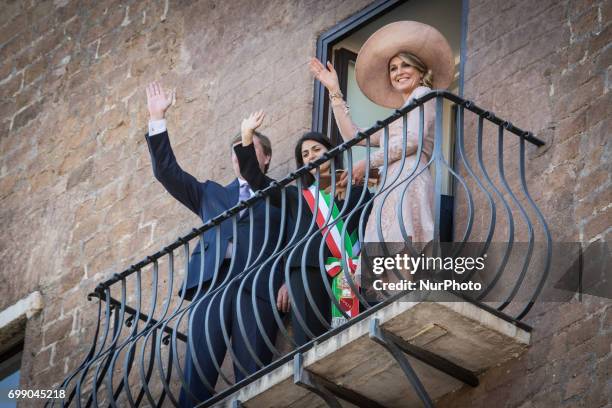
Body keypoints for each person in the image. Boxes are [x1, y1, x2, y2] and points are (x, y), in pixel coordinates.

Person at [144, 82, 283, 406]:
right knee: (197, 374)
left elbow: (295, 236)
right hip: (212, 284)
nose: (240, 157)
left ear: (266, 158)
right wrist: (157, 118)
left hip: (257, 285)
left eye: (248, 149)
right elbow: (167, 173)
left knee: (254, 378)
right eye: (236, 151)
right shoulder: (210, 193)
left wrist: (287, 282)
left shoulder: (281, 194)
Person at [309, 21, 455, 246]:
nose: (399, 72)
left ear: (420, 71)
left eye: (406, 65)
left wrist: (366, 163)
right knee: (387, 271)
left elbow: (412, 140)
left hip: (409, 180)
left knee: (406, 260)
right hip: (389, 186)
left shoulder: (424, 93)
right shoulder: (396, 118)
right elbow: (353, 136)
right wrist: (334, 92)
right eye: (393, 68)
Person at [233, 111, 372, 346]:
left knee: (348, 338)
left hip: (347, 272)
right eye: (305, 155)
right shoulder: (295, 197)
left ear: (331, 151)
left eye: (316, 149)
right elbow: (255, 178)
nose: (311, 156)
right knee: (310, 344)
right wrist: (247, 136)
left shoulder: (358, 192)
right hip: (307, 270)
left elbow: (368, 229)